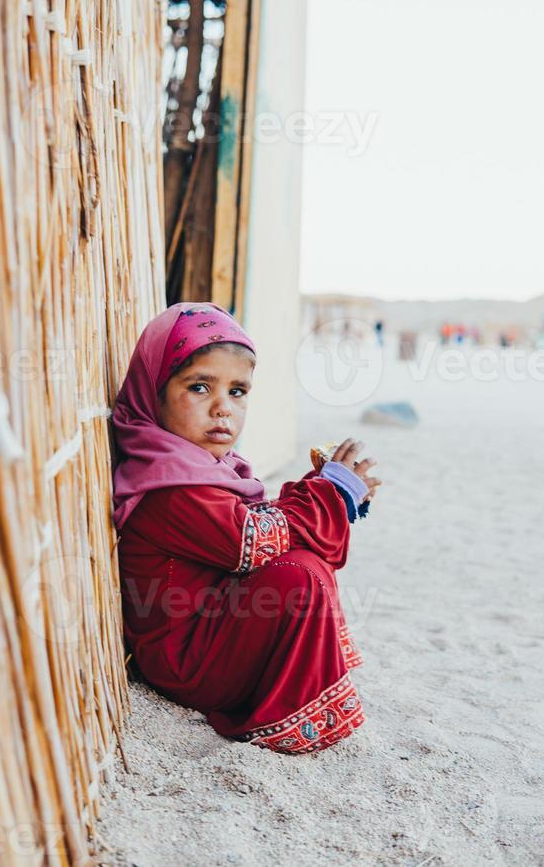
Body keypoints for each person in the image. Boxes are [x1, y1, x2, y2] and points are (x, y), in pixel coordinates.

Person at [111, 302, 381, 754]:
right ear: (152, 392)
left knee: (303, 557)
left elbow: (269, 529)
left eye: (238, 392)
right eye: (199, 387)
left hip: (211, 632)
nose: (223, 409)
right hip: (184, 661)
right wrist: (331, 494)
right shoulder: (164, 484)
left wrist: (330, 492)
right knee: (295, 575)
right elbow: (252, 540)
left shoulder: (206, 467)